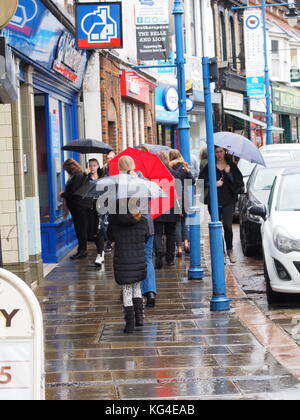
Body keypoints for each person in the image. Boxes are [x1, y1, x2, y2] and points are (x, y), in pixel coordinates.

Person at [118, 155, 157, 308]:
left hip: (129, 228)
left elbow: (119, 208)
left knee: (129, 259)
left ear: (120, 168)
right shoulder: (145, 181)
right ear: (134, 165)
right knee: (146, 258)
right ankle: (151, 291)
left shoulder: (118, 184)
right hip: (147, 225)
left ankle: (132, 292)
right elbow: (151, 196)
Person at [107, 204, 149, 333]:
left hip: (123, 260)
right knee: (137, 288)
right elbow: (146, 237)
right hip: (138, 259)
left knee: (126, 291)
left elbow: (110, 237)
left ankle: (129, 325)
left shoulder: (114, 220)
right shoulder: (142, 220)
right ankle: (139, 319)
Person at [199, 146, 244, 264]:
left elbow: (239, 183)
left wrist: (228, 174)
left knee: (228, 226)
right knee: (216, 228)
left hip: (229, 200)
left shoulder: (232, 166)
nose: (219, 154)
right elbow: (200, 181)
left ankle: (230, 249)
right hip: (213, 201)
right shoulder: (209, 166)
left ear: (225, 152)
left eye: (221, 151)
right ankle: (221, 253)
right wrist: (213, 183)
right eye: (216, 152)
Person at [154, 151, 181, 269]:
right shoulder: (174, 174)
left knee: (157, 232)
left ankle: (159, 251)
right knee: (171, 233)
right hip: (171, 207)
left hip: (157, 206)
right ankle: (170, 259)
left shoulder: (152, 174)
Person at [169, 149, 195, 257]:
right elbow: (192, 181)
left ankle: (179, 249)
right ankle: (186, 243)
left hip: (175, 196)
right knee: (184, 221)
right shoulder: (184, 167)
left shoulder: (169, 168)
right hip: (184, 195)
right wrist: (187, 170)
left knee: (177, 224)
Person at [61, 158, 88, 260]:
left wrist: (63, 194)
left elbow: (74, 192)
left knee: (80, 229)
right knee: (80, 229)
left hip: (78, 207)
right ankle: (81, 250)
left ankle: (82, 250)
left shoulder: (77, 176)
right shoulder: (77, 176)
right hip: (77, 207)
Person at [87, 159, 106, 267]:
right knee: (93, 232)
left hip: (101, 207)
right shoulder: (86, 178)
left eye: (94, 165)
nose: (92, 167)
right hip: (90, 208)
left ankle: (99, 254)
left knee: (100, 231)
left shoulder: (103, 178)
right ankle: (101, 251)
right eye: (90, 166)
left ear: (98, 166)